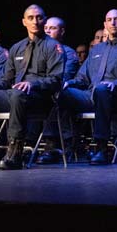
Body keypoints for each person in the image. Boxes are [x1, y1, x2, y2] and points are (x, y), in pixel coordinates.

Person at [0, 4, 63, 170]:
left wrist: (32, 83)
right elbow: (6, 81)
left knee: (18, 93)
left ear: (44, 20)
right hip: (14, 95)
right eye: (30, 18)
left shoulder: (53, 47)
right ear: (24, 22)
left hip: (40, 98)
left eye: (39, 17)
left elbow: (56, 80)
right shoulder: (17, 47)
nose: (35, 21)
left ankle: (15, 150)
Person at [55, 9, 117, 165]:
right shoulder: (96, 49)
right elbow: (82, 77)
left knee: (102, 89)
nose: (113, 22)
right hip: (91, 94)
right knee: (61, 93)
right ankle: (59, 145)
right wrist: (69, 83)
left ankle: (101, 148)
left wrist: (114, 84)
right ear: (105, 24)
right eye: (109, 20)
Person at [32, 16, 80, 161]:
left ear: (62, 31)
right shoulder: (38, 50)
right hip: (40, 88)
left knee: (56, 95)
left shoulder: (68, 52)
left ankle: (53, 145)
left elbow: (64, 75)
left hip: (59, 90)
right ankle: (27, 143)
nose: (47, 31)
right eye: (46, 28)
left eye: (52, 28)